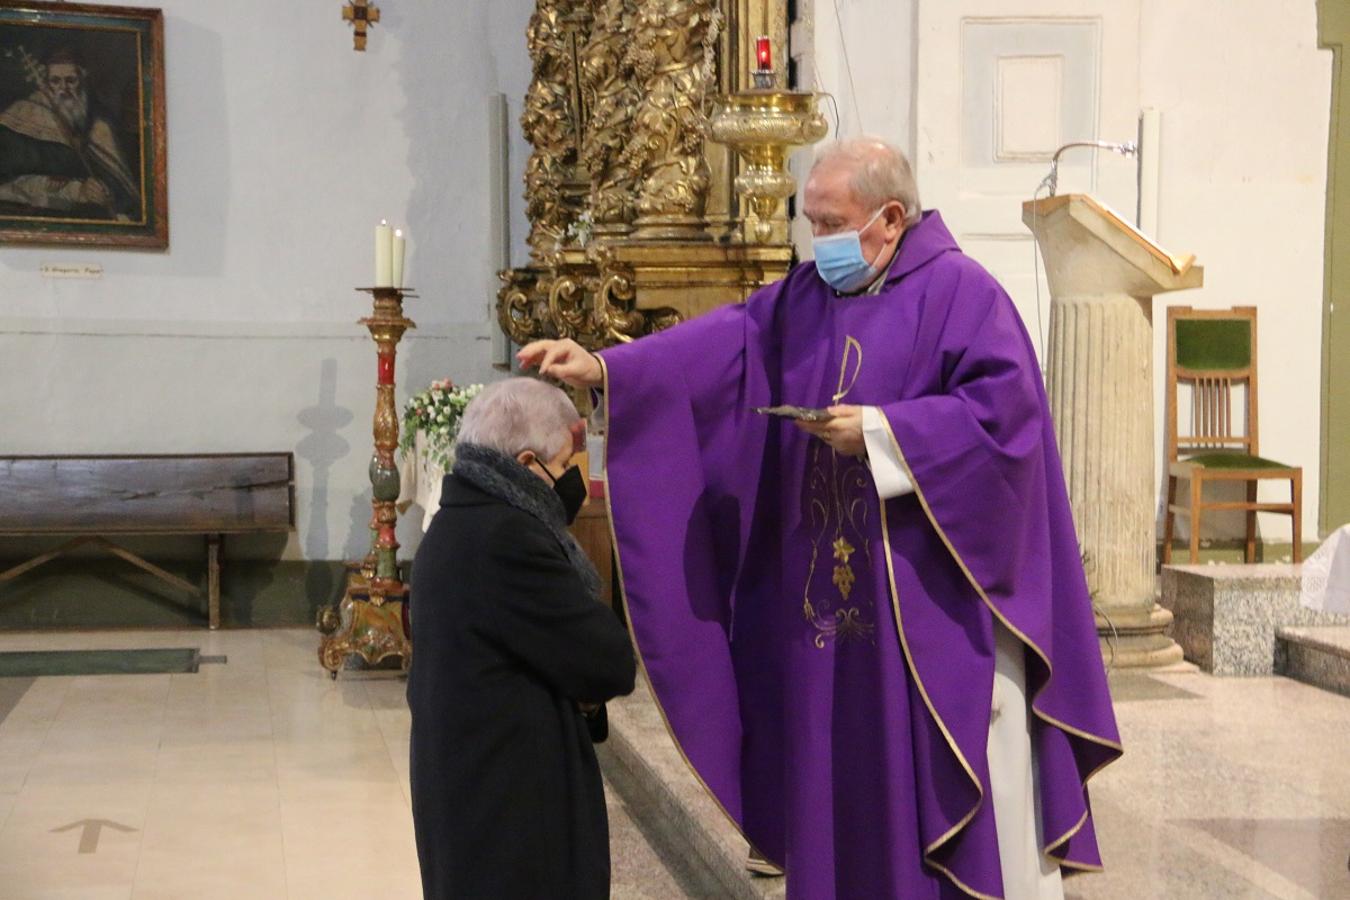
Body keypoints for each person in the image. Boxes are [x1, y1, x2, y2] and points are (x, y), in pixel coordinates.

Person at [519, 138, 1122, 899]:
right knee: (838, 796)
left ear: (891, 218)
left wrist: (883, 432)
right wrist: (608, 367)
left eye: (832, 222)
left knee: (934, 791)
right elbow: (724, 346)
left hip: (930, 620)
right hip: (831, 622)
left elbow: (1007, 427)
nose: (818, 242)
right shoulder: (808, 297)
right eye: (812, 222)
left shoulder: (965, 296)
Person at [406, 377, 637, 900]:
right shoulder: (507, 536)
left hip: (473, 792)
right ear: (529, 463)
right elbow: (609, 660)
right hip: (510, 811)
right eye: (566, 461)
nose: (574, 476)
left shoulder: (456, 522)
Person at [0, 47, 139, 218]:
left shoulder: (99, 122)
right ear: (45, 82)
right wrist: (77, 190)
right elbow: (7, 182)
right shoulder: (19, 118)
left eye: (71, 80)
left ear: (82, 78)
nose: (63, 89)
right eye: (55, 81)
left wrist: (105, 191)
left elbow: (121, 185)